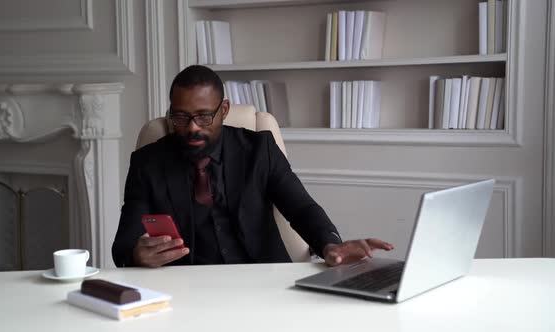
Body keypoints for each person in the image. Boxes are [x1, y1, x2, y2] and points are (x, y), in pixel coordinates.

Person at [112, 65, 394, 268]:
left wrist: (330, 244)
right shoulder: (147, 163)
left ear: (223, 110)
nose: (192, 128)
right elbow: (123, 245)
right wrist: (135, 254)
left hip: (262, 280)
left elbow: (301, 207)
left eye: (204, 117)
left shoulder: (260, 150)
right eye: (181, 117)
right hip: (186, 290)